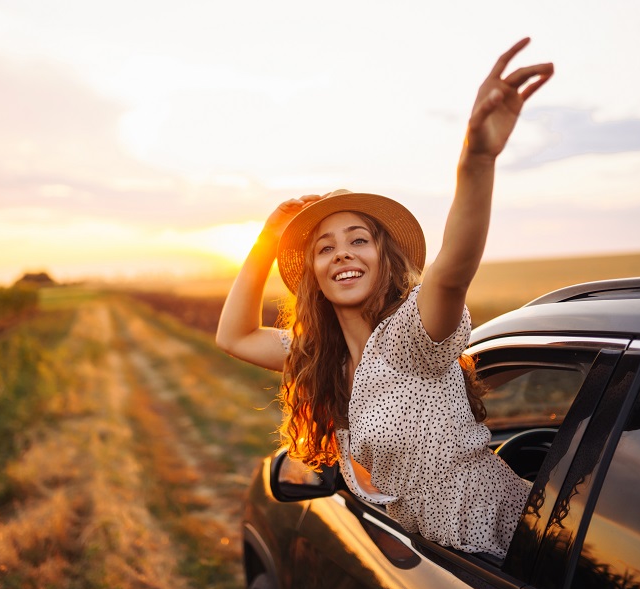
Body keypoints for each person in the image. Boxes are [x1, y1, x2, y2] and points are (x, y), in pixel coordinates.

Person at [216, 38, 553, 558]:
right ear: (315, 278)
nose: (343, 254)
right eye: (325, 248)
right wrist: (266, 239)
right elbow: (233, 336)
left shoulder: (413, 337)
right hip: (440, 572)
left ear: (383, 256)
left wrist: (477, 158)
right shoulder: (317, 356)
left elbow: (452, 271)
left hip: (508, 553)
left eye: (358, 239)